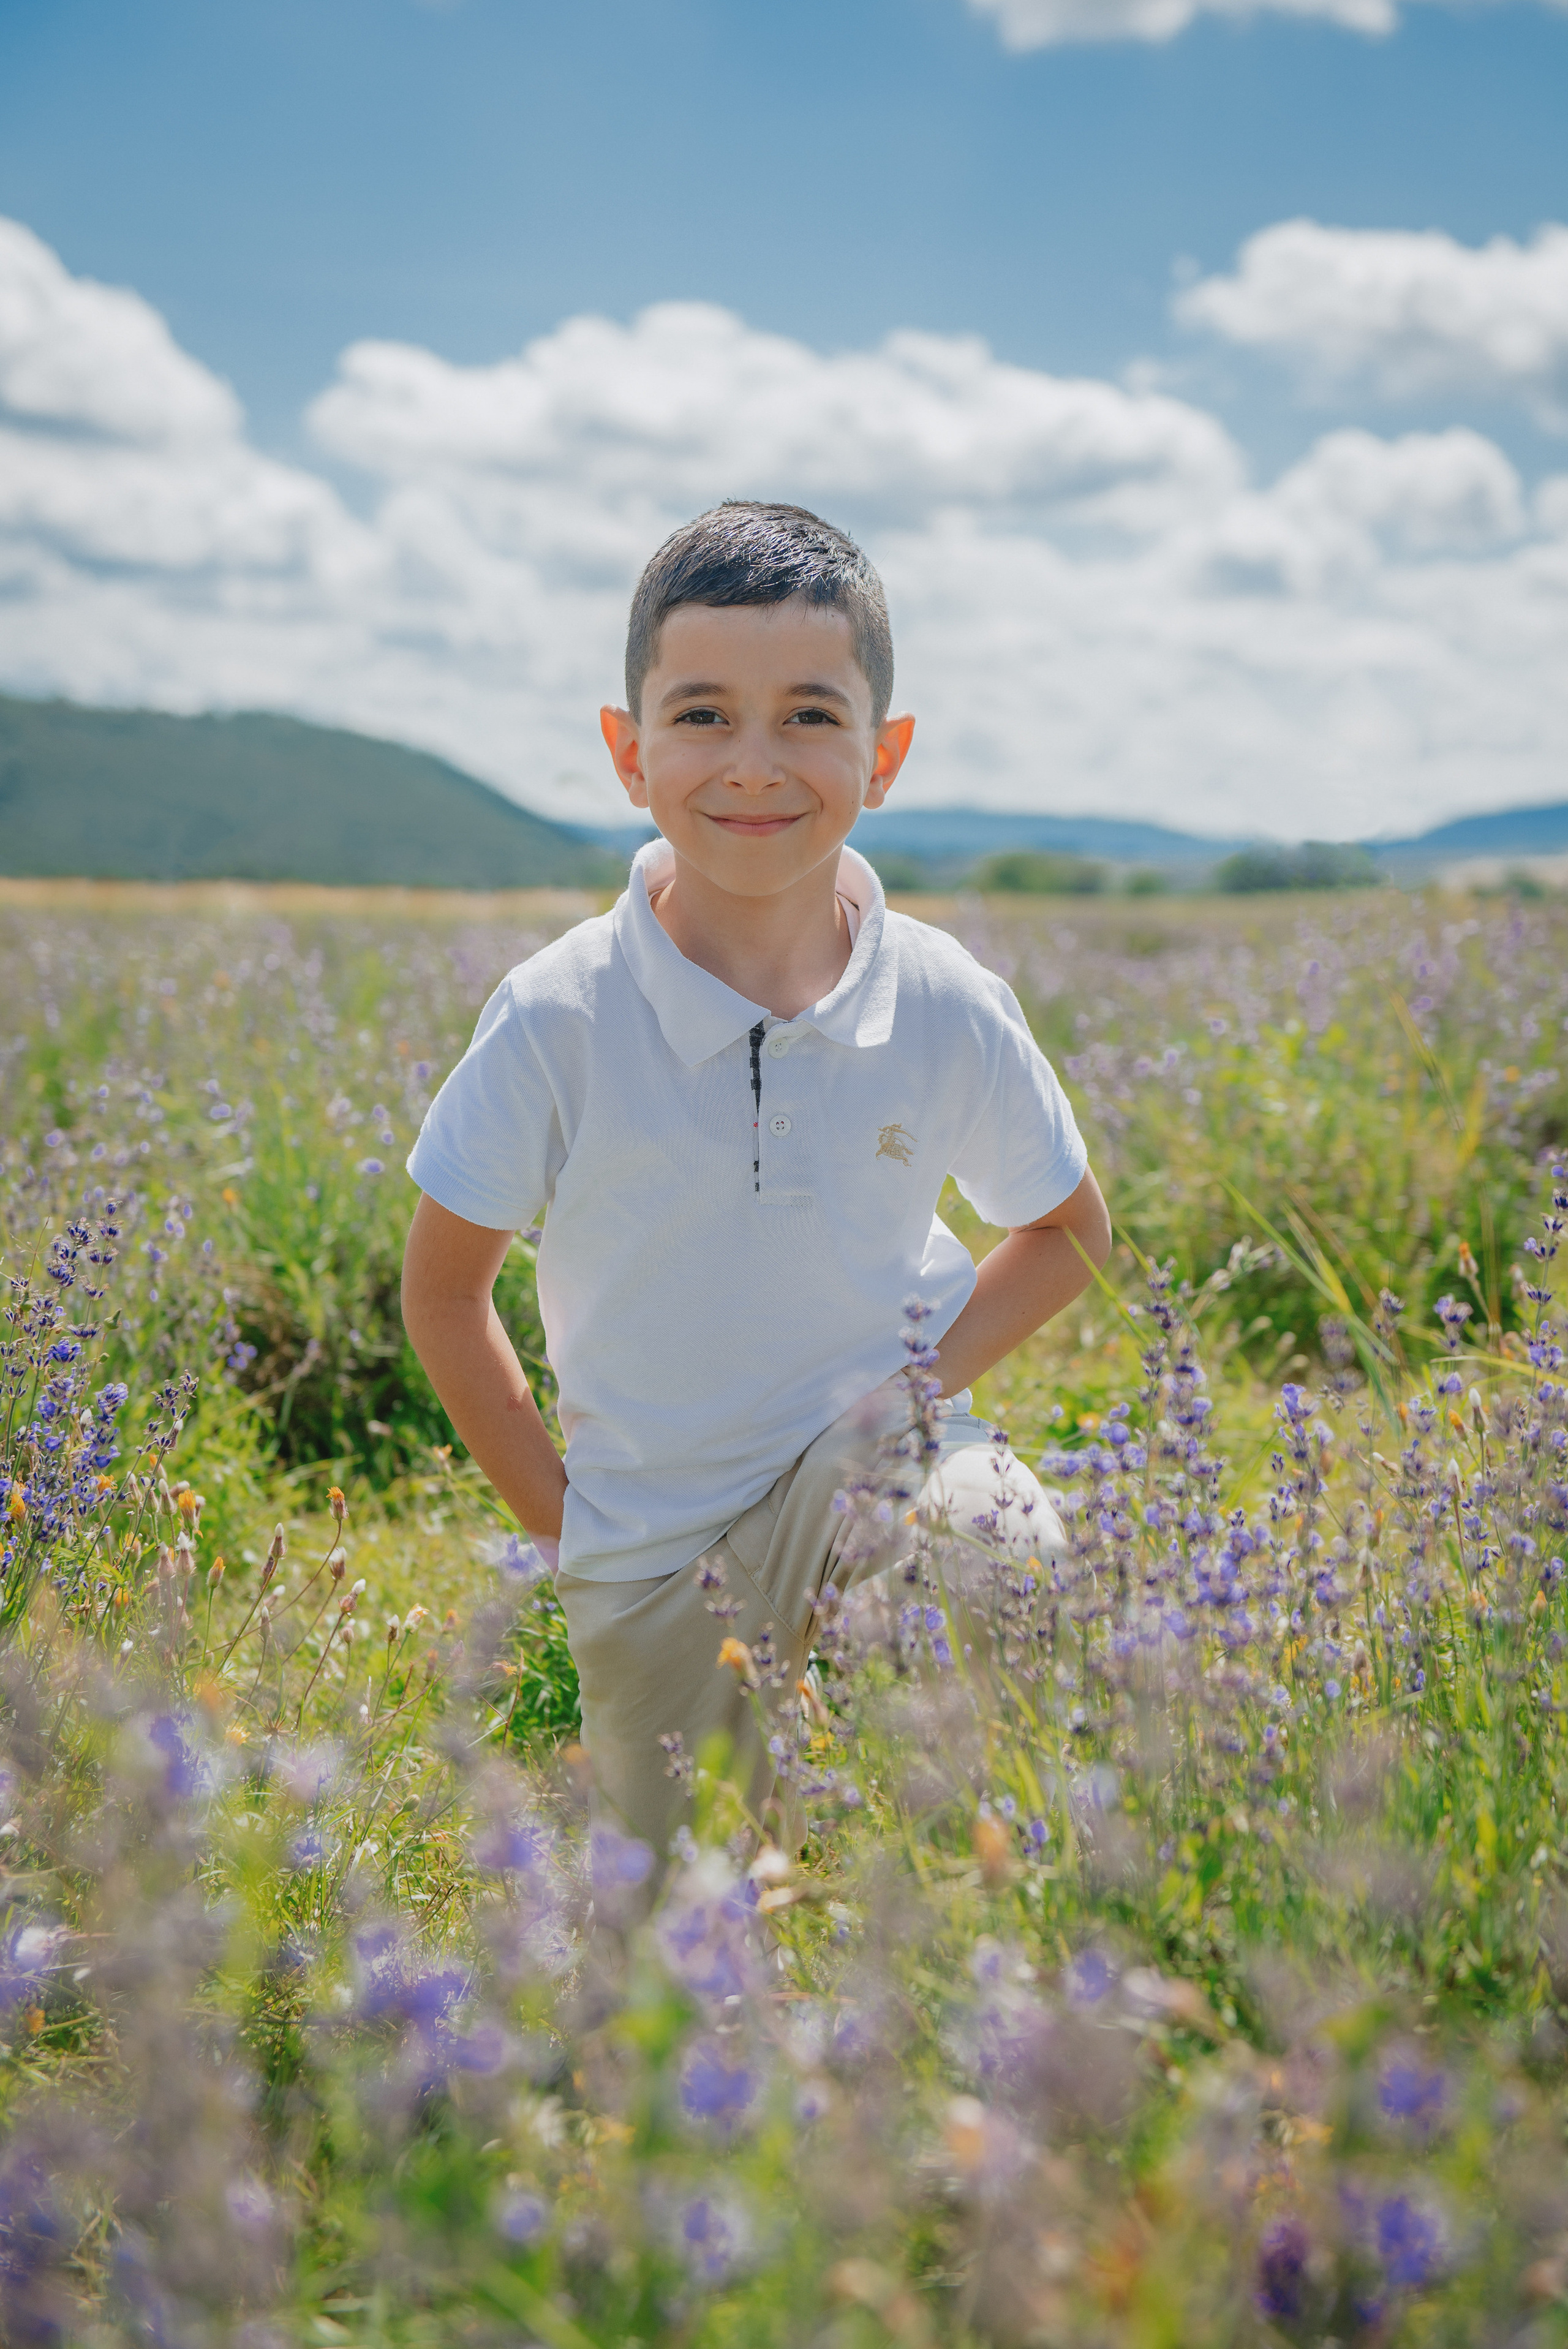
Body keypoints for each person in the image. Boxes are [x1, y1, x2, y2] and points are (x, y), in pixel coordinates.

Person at [401, 501, 1111, 1857]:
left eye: (808, 716)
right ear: (629, 751)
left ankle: (967, 1895)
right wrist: (569, 1533)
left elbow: (1068, 1230)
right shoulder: (558, 1013)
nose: (754, 763)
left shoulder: (943, 998)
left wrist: (895, 1406)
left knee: (1000, 1553)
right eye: (703, 715)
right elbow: (443, 1295)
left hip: (876, 1464)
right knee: (685, 1923)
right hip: (651, 1547)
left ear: (882, 755)